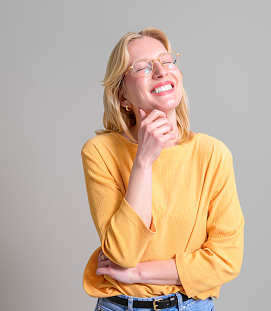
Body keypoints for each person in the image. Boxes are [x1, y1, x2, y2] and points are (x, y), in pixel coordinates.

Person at [80, 28, 244, 311]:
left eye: (167, 61)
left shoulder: (213, 154)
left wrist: (137, 274)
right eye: (142, 67)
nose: (160, 71)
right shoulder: (100, 152)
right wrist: (144, 160)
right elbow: (122, 253)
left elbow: (226, 260)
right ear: (123, 97)